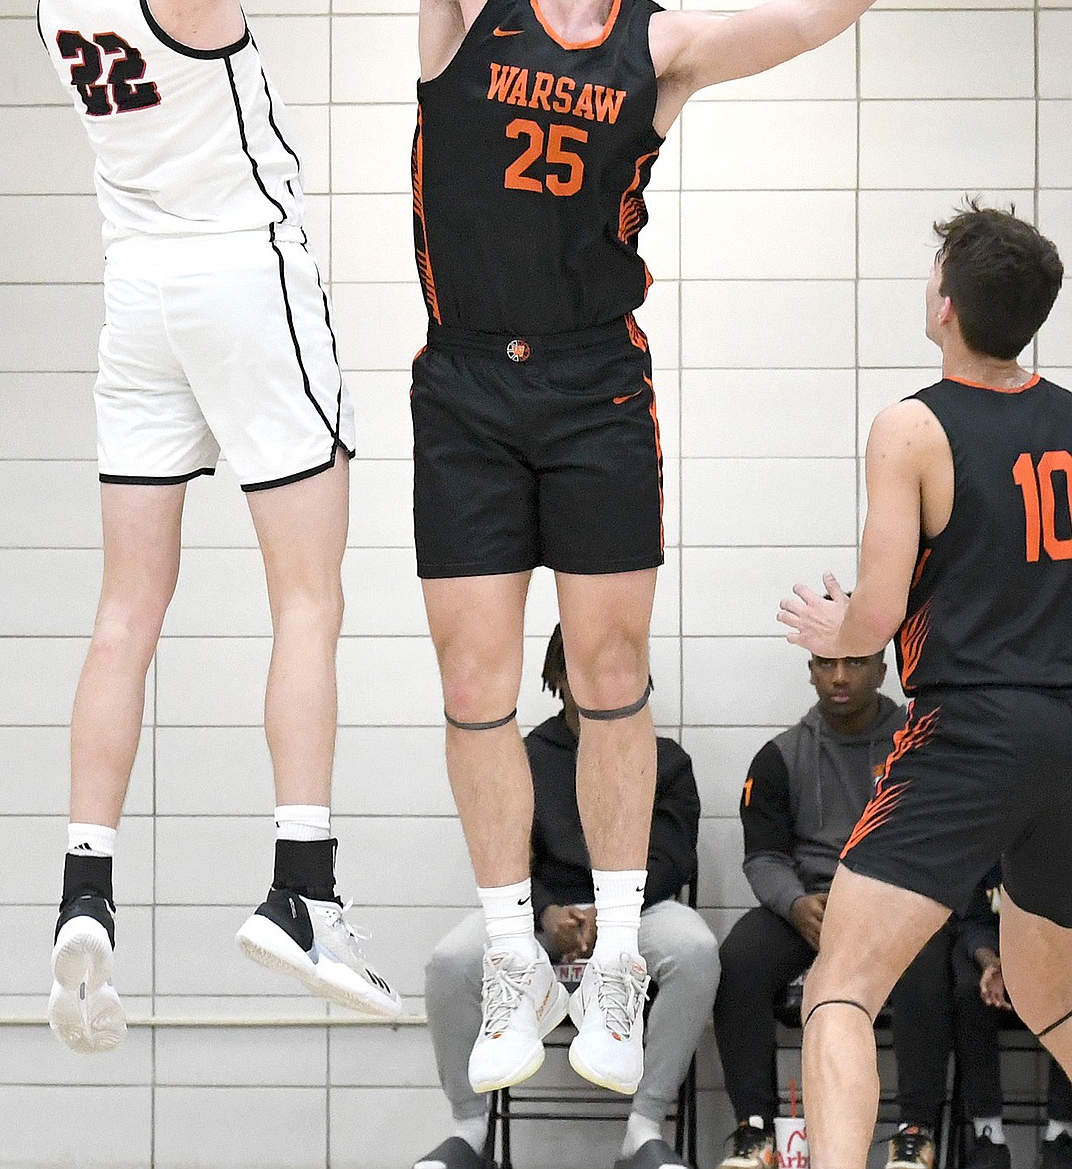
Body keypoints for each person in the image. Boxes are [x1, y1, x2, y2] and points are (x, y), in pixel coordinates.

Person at [246, 0, 1028, 1097]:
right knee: (479, 685)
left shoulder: (657, 45)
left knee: (611, 678)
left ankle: (612, 955)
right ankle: (509, 957)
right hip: (466, 380)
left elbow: (800, 18)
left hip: (601, 388)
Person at [16, 0, 400, 1054]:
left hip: (140, 303)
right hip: (246, 281)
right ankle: (303, 882)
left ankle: (84, 884)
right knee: (309, 596)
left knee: (130, 608)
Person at [778, 203, 1072, 1169]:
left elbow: (878, 608)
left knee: (840, 990)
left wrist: (838, 627)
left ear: (945, 303)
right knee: (1049, 994)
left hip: (974, 727)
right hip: (1068, 733)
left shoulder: (912, 426)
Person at [416, 625, 717, 1169]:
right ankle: (470, 1128)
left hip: (638, 912)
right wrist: (547, 912)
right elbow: (502, 853)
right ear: (557, 676)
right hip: (536, 918)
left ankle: (644, 1128)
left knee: (696, 951)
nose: (599, 678)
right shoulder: (525, 756)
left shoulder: (664, 759)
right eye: (580, 666)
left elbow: (674, 855)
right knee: (449, 963)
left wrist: (613, 915)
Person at [713, 651, 952, 1169]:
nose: (840, 677)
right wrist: (797, 904)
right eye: (826, 664)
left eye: (856, 663)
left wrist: (880, 909)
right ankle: (754, 1129)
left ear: (884, 670)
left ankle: (916, 1132)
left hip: (896, 905)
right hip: (810, 907)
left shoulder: (923, 749)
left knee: (930, 959)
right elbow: (764, 856)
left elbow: (943, 843)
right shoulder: (780, 755)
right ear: (810, 671)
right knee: (738, 959)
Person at [952, 865, 1072, 1169]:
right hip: (993, 955)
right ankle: (987, 1134)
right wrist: (992, 963)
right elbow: (972, 920)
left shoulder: (1057, 839)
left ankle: (1062, 1132)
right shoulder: (985, 837)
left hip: (1055, 952)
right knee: (968, 989)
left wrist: (1036, 963)